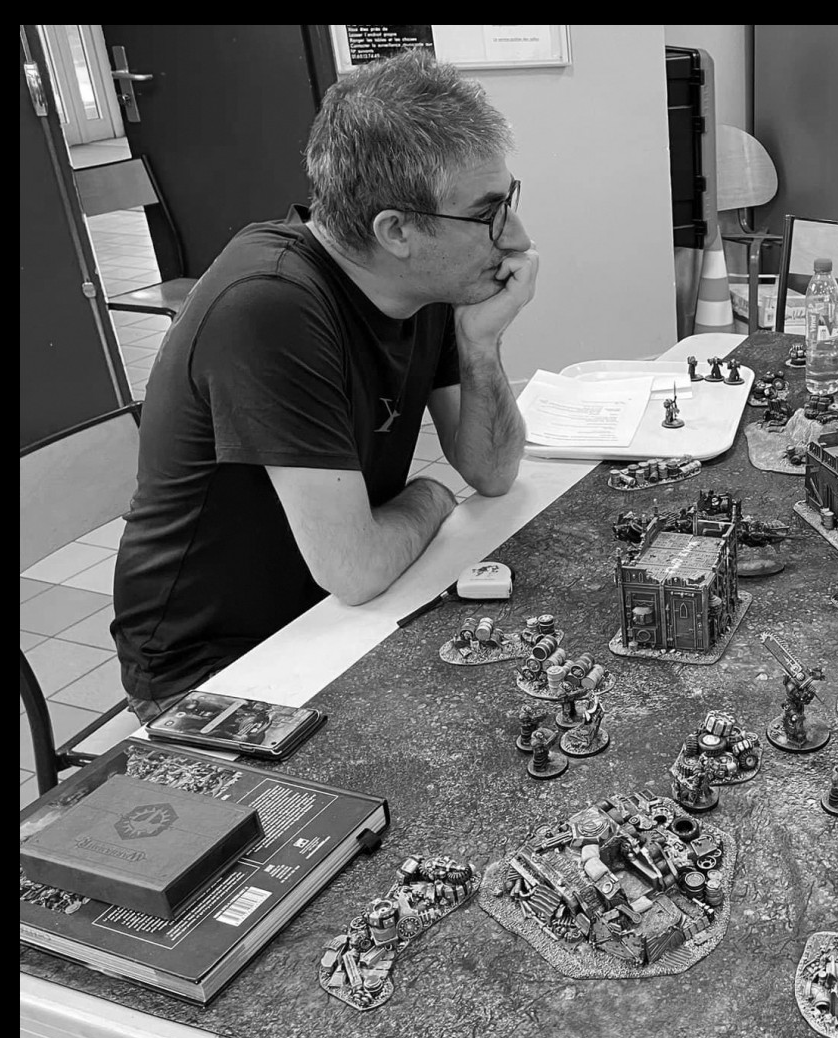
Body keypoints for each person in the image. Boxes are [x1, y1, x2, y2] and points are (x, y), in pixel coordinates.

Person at [112, 51, 535, 721]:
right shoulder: (270, 304)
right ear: (396, 230)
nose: (517, 237)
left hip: (335, 616)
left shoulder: (421, 285)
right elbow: (356, 567)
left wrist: (481, 344)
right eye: (487, 214)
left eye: (509, 201)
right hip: (218, 668)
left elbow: (491, 471)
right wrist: (429, 493)